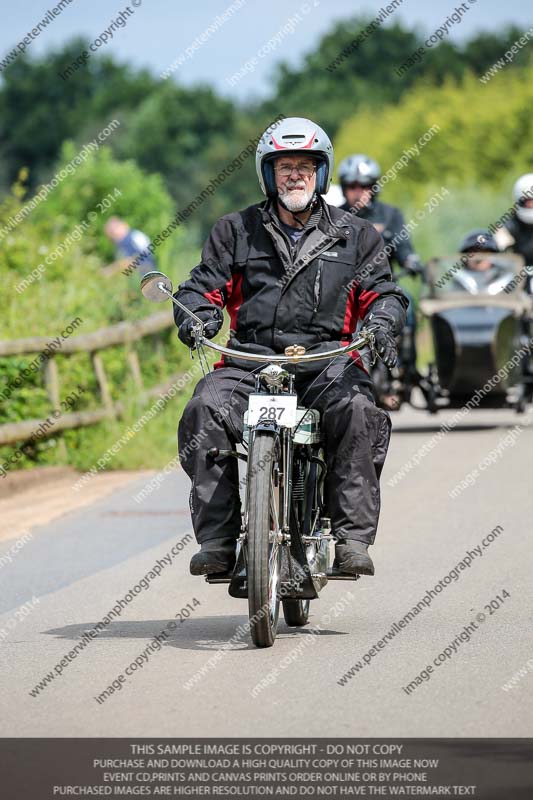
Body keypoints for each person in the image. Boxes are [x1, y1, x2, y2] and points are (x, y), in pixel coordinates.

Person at [173, 117, 408, 578]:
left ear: (322, 173)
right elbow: (200, 287)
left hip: (327, 363)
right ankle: (218, 538)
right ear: (268, 174)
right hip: (249, 361)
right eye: (284, 166)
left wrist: (382, 320)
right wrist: (197, 313)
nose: (295, 174)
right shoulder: (234, 230)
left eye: (305, 165)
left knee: (362, 414)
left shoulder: (358, 235)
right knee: (205, 407)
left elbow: (385, 292)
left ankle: (351, 538)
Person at [337, 155, 423, 407]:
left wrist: (411, 261)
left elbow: (404, 246)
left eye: (364, 186)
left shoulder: (390, 215)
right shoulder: (335, 217)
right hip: (348, 292)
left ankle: (408, 369)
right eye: (352, 186)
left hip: (386, 288)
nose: (359, 192)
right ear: (344, 188)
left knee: (409, 308)